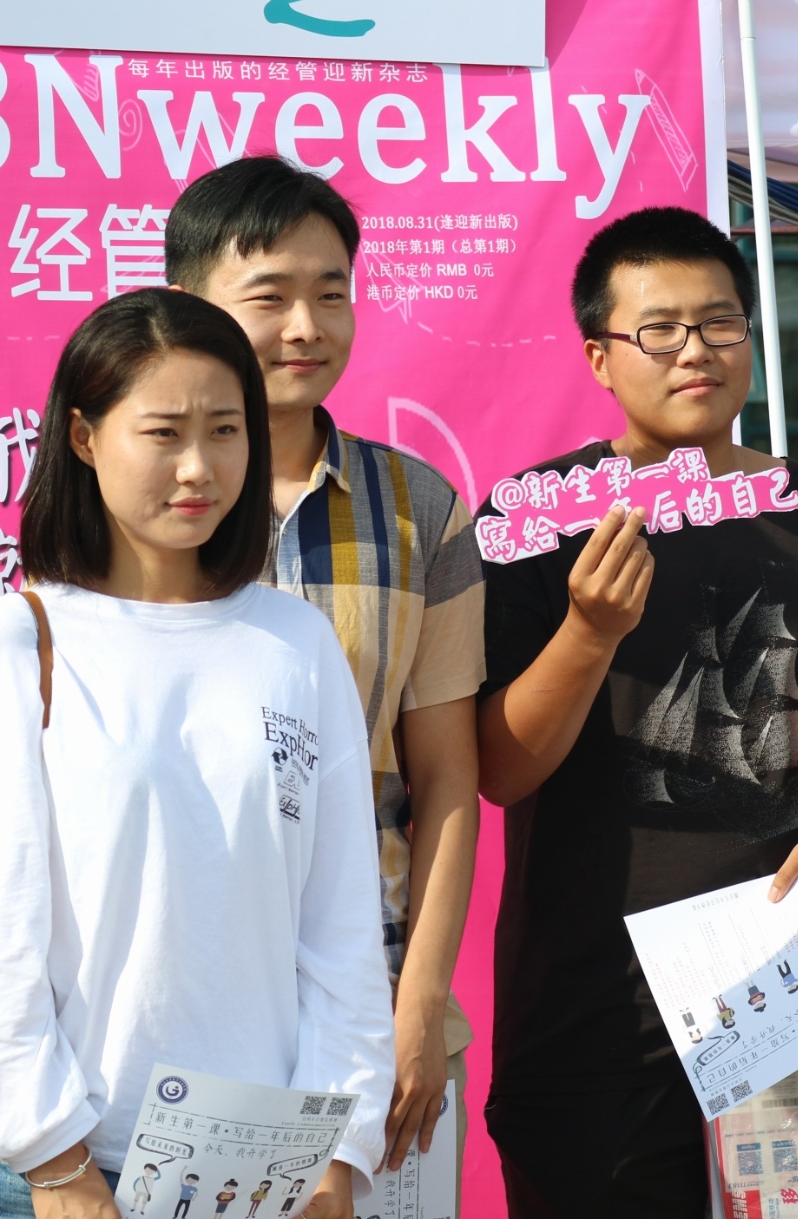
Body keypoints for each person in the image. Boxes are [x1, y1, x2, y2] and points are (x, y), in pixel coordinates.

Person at [0, 289, 393, 1219]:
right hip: (68, 1173)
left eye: (226, 430)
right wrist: (56, 1164)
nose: (198, 467)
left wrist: (337, 1150)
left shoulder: (296, 643)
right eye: (164, 433)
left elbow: (339, 927)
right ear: (84, 437)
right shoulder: (16, 642)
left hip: (267, 1175)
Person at [476, 207, 798, 1217]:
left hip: (795, 1002)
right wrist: (587, 631)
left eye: (718, 324)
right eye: (658, 330)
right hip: (595, 1017)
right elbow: (498, 767)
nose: (694, 352)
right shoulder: (536, 519)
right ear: (599, 354)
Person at [167, 156, 482, 1176]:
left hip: (368, 998)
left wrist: (419, 1000)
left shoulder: (420, 508)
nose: (305, 327)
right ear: (186, 303)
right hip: (170, 999)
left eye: (330, 293)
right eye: (268, 297)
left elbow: (447, 778)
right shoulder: (134, 509)